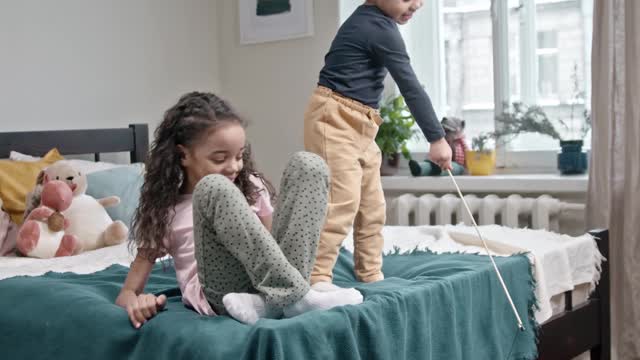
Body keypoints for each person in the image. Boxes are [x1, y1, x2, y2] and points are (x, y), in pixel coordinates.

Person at [115, 92, 363, 326]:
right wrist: (139, 301)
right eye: (220, 158)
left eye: (239, 155)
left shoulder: (251, 186)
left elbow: (273, 247)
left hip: (266, 282)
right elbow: (127, 292)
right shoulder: (166, 211)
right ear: (183, 156)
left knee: (309, 164)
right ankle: (298, 297)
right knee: (213, 188)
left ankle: (277, 301)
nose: (234, 167)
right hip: (223, 294)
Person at [304, 0, 453, 288]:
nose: (417, 4)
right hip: (333, 119)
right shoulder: (376, 27)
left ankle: (371, 274)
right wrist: (436, 137)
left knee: (373, 207)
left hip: (363, 123)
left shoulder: (381, 24)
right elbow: (410, 86)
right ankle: (316, 278)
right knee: (341, 202)